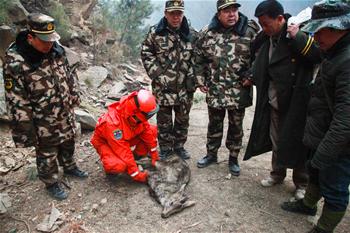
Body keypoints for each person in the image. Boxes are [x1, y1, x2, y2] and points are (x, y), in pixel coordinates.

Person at [281, 1, 350, 232]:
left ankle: (323, 228)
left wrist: (326, 151)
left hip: (339, 144)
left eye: (320, 30)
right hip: (323, 134)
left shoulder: (347, 61)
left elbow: (345, 118)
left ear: (339, 28)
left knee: (335, 188)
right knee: (317, 174)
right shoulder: (334, 52)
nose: (316, 36)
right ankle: (308, 204)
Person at [3, 13, 87, 200]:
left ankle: (70, 166)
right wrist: (25, 129)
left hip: (63, 108)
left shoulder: (55, 49)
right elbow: (16, 99)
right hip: (41, 115)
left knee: (68, 139)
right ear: (30, 37)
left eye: (51, 40)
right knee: (47, 149)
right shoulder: (16, 60)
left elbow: (69, 74)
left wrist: (74, 94)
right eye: (44, 41)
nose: (49, 45)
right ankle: (50, 182)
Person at [243, 0, 321, 200]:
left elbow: (317, 56)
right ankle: (277, 174)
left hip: (296, 101)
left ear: (280, 19)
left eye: (266, 23)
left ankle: (301, 182)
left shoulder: (296, 34)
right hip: (273, 99)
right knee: (276, 138)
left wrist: (298, 37)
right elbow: (260, 60)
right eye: (261, 24)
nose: (264, 28)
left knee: (297, 142)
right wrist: (252, 76)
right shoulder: (266, 37)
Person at [195, 0, 259, 176]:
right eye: (227, 11)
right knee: (214, 124)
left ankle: (233, 158)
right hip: (215, 88)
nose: (232, 14)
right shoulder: (208, 33)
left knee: (236, 126)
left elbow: (260, 57)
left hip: (239, 89)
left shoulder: (250, 31)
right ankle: (211, 155)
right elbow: (199, 58)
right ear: (218, 14)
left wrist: (251, 76)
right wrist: (201, 80)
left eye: (234, 10)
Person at [141, 0, 198, 160]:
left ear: (183, 13)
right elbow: (146, 53)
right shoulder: (155, 33)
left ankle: (179, 146)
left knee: (182, 119)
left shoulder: (192, 34)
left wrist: (192, 77)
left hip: (184, 87)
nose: (176, 17)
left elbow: (198, 58)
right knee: (164, 119)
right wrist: (158, 75)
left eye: (179, 13)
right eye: (172, 13)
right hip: (163, 86)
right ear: (165, 14)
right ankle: (165, 147)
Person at [90, 90, 159, 183]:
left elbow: (147, 132)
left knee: (152, 130)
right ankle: (112, 171)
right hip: (106, 142)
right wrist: (136, 175)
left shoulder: (136, 116)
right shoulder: (113, 124)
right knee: (118, 165)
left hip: (124, 138)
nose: (148, 118)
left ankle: (136, 156)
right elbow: (123, 150)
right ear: (136, 113)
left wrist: (154, 153)